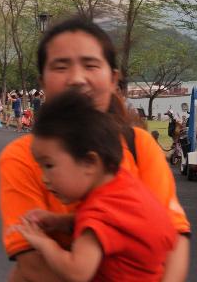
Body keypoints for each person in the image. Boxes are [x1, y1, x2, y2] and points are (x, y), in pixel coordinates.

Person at [0, 17, 190, 282]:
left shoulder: (139, 145)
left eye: (90, 65)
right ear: (42, 82)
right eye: (61, 66)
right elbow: (31, 264)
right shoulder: (22, 157)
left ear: (113, 80)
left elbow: (173, 238)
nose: (77, 79)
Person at [13, 90, 177, 282]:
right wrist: (61, 222)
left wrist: (43, 243)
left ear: (89, 162)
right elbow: (118, 226)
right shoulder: (125, 187)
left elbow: (77, 272)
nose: (44, 178)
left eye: (49, 166)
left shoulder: (98, 214)